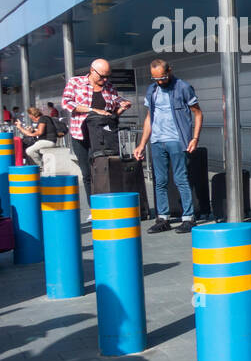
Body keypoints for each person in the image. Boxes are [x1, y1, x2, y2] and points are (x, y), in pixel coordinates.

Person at [132, 59, 203, 234]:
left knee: (180, 178)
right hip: (157, 140)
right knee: (160, 181)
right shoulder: (152, 90)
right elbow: (149, 118)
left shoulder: (183, 87)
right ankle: (162, 218)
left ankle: (188, 218)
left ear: (170, 70)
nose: (160, 82)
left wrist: (195, 138)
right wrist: (142, 144)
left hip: (177, 140)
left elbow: (198, 113)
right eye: (155, 78)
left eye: (162, 78)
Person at [61, 58, 132, 221]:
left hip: (102, 135)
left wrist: (122, 106)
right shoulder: (75, 82)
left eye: (108, 76)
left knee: (102, 170)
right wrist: (94, 110)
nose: (105, 80)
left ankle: (107, 203)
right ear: (92, 71)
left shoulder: (109, 87)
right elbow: (66, 103)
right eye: (102, 77)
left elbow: (113, 110)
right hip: (81, 134)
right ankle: (94, 207)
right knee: (87, 173)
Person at [14, 107, 57, 173]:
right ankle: (41, 165)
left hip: (48, 141)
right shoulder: (43, 119)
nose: (29, 117)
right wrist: (29, 130)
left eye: (29, 115)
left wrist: (27, 132)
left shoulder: (43, 119)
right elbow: (37, 132)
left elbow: (40, 132)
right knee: (32, 149)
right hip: (46, 141)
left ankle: (41, 166)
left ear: (32, 115)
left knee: (29, 150)